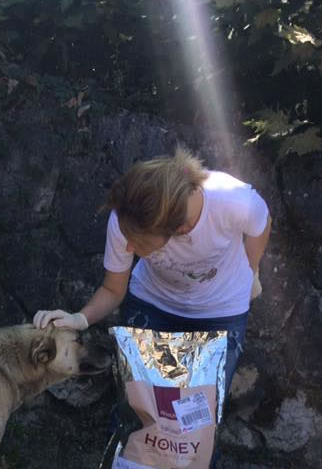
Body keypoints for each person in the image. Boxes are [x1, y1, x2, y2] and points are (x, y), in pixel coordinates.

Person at [33, 145, 271, 398]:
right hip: (152, 304)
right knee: (139, 406)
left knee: (197, 414)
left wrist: (249, 271)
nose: (130, 247)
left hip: (220, 312)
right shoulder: (127, 219)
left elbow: (261, 224)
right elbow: (113, 289)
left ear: (179, 230)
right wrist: (80, 319)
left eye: (139, 241)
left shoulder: (233, 201)